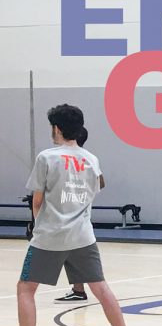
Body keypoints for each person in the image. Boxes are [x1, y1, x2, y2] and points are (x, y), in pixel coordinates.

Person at [1, 104, 139, 326]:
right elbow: (92, 191)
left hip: (49, 236)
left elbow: (38, 200)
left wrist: (35, 226)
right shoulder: (91, 159)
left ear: (57, 128)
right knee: (100, 287)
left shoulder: (47, 157)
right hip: (83, 236)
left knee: (25, 288)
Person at [55, 127, 102, 303]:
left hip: (69, 218)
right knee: (73, 255)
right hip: (78, 219)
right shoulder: (89, 159)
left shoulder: (60, 160)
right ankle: (78, 289)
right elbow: (100, 184)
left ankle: (81, 290)